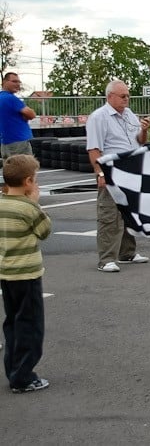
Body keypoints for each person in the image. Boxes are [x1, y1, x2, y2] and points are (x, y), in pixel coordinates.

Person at [86, 81, 150, 272]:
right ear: (110, 96)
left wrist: (144, 130)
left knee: (128, 213)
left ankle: (127, 253)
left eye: (128, 96)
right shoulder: (99, 118)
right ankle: (106, 259)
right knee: (109, 215)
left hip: (129, 171)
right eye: (123, 96)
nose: (127, 99)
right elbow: (94, 149)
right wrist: (100, 173)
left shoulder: (129, 115)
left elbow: (139, 141)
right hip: (111, 170)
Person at [1, 154, 52, 393]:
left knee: (12, 323)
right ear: (29, 181)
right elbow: (44, 231)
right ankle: (23, 377)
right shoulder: (28, 208)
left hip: (6, 274)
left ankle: (12, 367)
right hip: (27, 275)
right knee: (30, 326)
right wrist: (35, 202)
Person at [0, 72, 36, 160]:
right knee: (26, 170)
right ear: (4, 82)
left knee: (11, 170)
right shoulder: (11, 98)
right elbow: (31, 114)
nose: (17, 84)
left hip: (5, 142)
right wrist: (24, 116)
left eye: (19, 82)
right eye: (14, 81)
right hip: (18, 141)